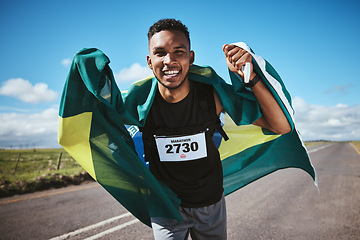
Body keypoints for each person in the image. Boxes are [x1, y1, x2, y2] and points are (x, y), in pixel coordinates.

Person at [141, 18, 291, 240]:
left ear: (191, 57)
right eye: (160, 53)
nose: (169, 61)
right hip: (166, 207)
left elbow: (280, 125)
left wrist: (251, 78)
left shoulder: (212, 95)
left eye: (179, 51)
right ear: (149, 60)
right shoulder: (139, 103)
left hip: (210, 205)